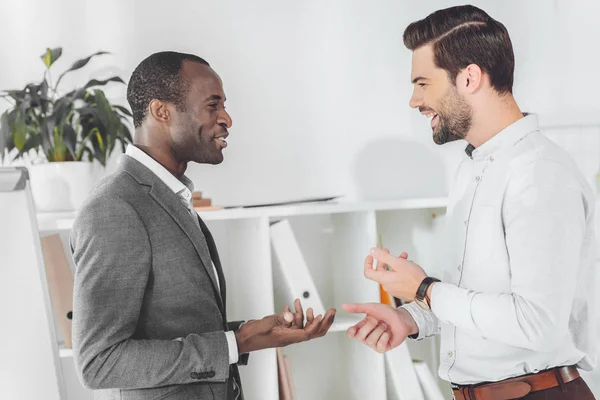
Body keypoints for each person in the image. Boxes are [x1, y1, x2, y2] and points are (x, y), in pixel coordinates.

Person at [343, 5, 596, 400]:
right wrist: (410, 318)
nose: (414, 101)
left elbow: (537, 324)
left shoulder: (539, 172)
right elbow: (475, 299)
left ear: (470, 77)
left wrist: (423, 287)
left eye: (423, 83)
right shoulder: (471, 169)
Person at [70, 51, 336, 400]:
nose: (226, 118)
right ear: (161, 111)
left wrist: (251, 335)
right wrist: (234, 343)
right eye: (213, 105)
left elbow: (173, 327)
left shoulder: (170, 195)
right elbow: (99, 362)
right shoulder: (114, 208)